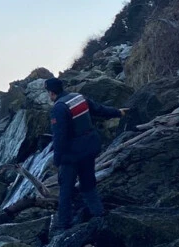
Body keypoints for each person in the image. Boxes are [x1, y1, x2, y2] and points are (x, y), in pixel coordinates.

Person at [46, 77, 127, 232]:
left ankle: (63, 226)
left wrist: (57, 160)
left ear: (51, 93)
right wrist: (118, 112)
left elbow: (59, 137)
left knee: (66, 190)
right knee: (89, 184)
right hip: (89, 148)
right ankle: (99, 214)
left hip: (72, 155)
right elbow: (99, 109)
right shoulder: (78, 98)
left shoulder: (58, 108)